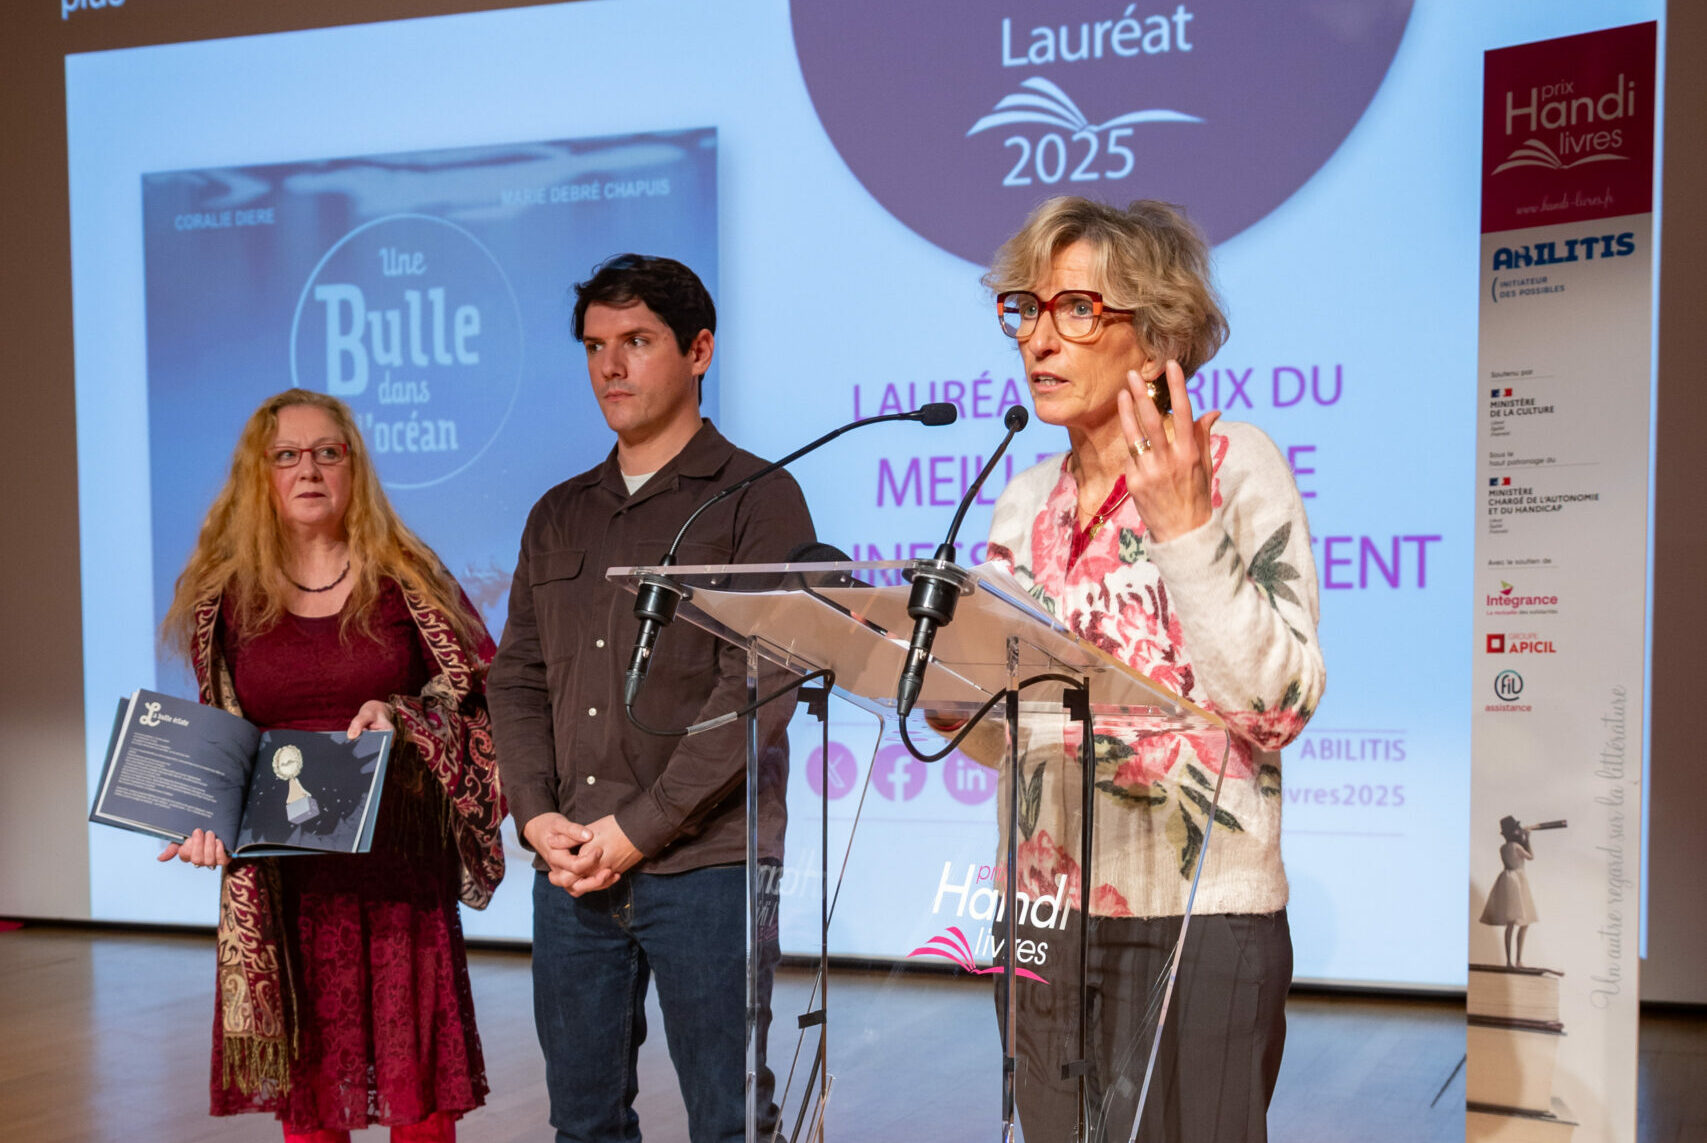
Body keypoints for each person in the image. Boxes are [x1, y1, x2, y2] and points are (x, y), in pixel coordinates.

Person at [979, 197, 1326, 1143]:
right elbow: (1000, 740)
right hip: (1042, 913)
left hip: (1202, 912)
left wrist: (1183, 529)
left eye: (1076, 310)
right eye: (1027, 309)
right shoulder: (1021, 500)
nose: (1040, 339)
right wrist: (949, 699)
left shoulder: (1233, 465)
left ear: (1156, 334)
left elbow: (1276, 703)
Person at [487, 254, 815, 1143]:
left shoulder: (760, 500)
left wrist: (638, 828)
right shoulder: (559, 512)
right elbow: (515, 676)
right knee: (583, 1120)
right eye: (596, 345)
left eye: (636, 341)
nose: (610, 366)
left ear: (699, 349)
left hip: (709, 865)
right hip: (572, 861)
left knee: (729, 1117)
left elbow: (754, 691)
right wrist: (533, 813)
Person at [158, 389, 506, 1143]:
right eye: (286, 455)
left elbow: (481, 694)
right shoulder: (226, 597)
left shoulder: (408, 576)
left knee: (418, 1100)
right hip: (288, 874)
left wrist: (403, 716)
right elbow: (223, 731)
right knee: (313, 1095)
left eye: (327, 452)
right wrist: (201, 819)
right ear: (261, 474)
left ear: (353, 468)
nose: (307, 468)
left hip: (397, 866)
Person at [1479, 815, 1539, 967]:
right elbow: (1531, 857)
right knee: (1523, 922)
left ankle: (1509, 960)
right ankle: (1517, 959)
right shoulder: (1516, 847)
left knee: (1511, 923)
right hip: (1517, 880)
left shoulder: (1503, 848)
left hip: (1507, 878)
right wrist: (1527, 839)